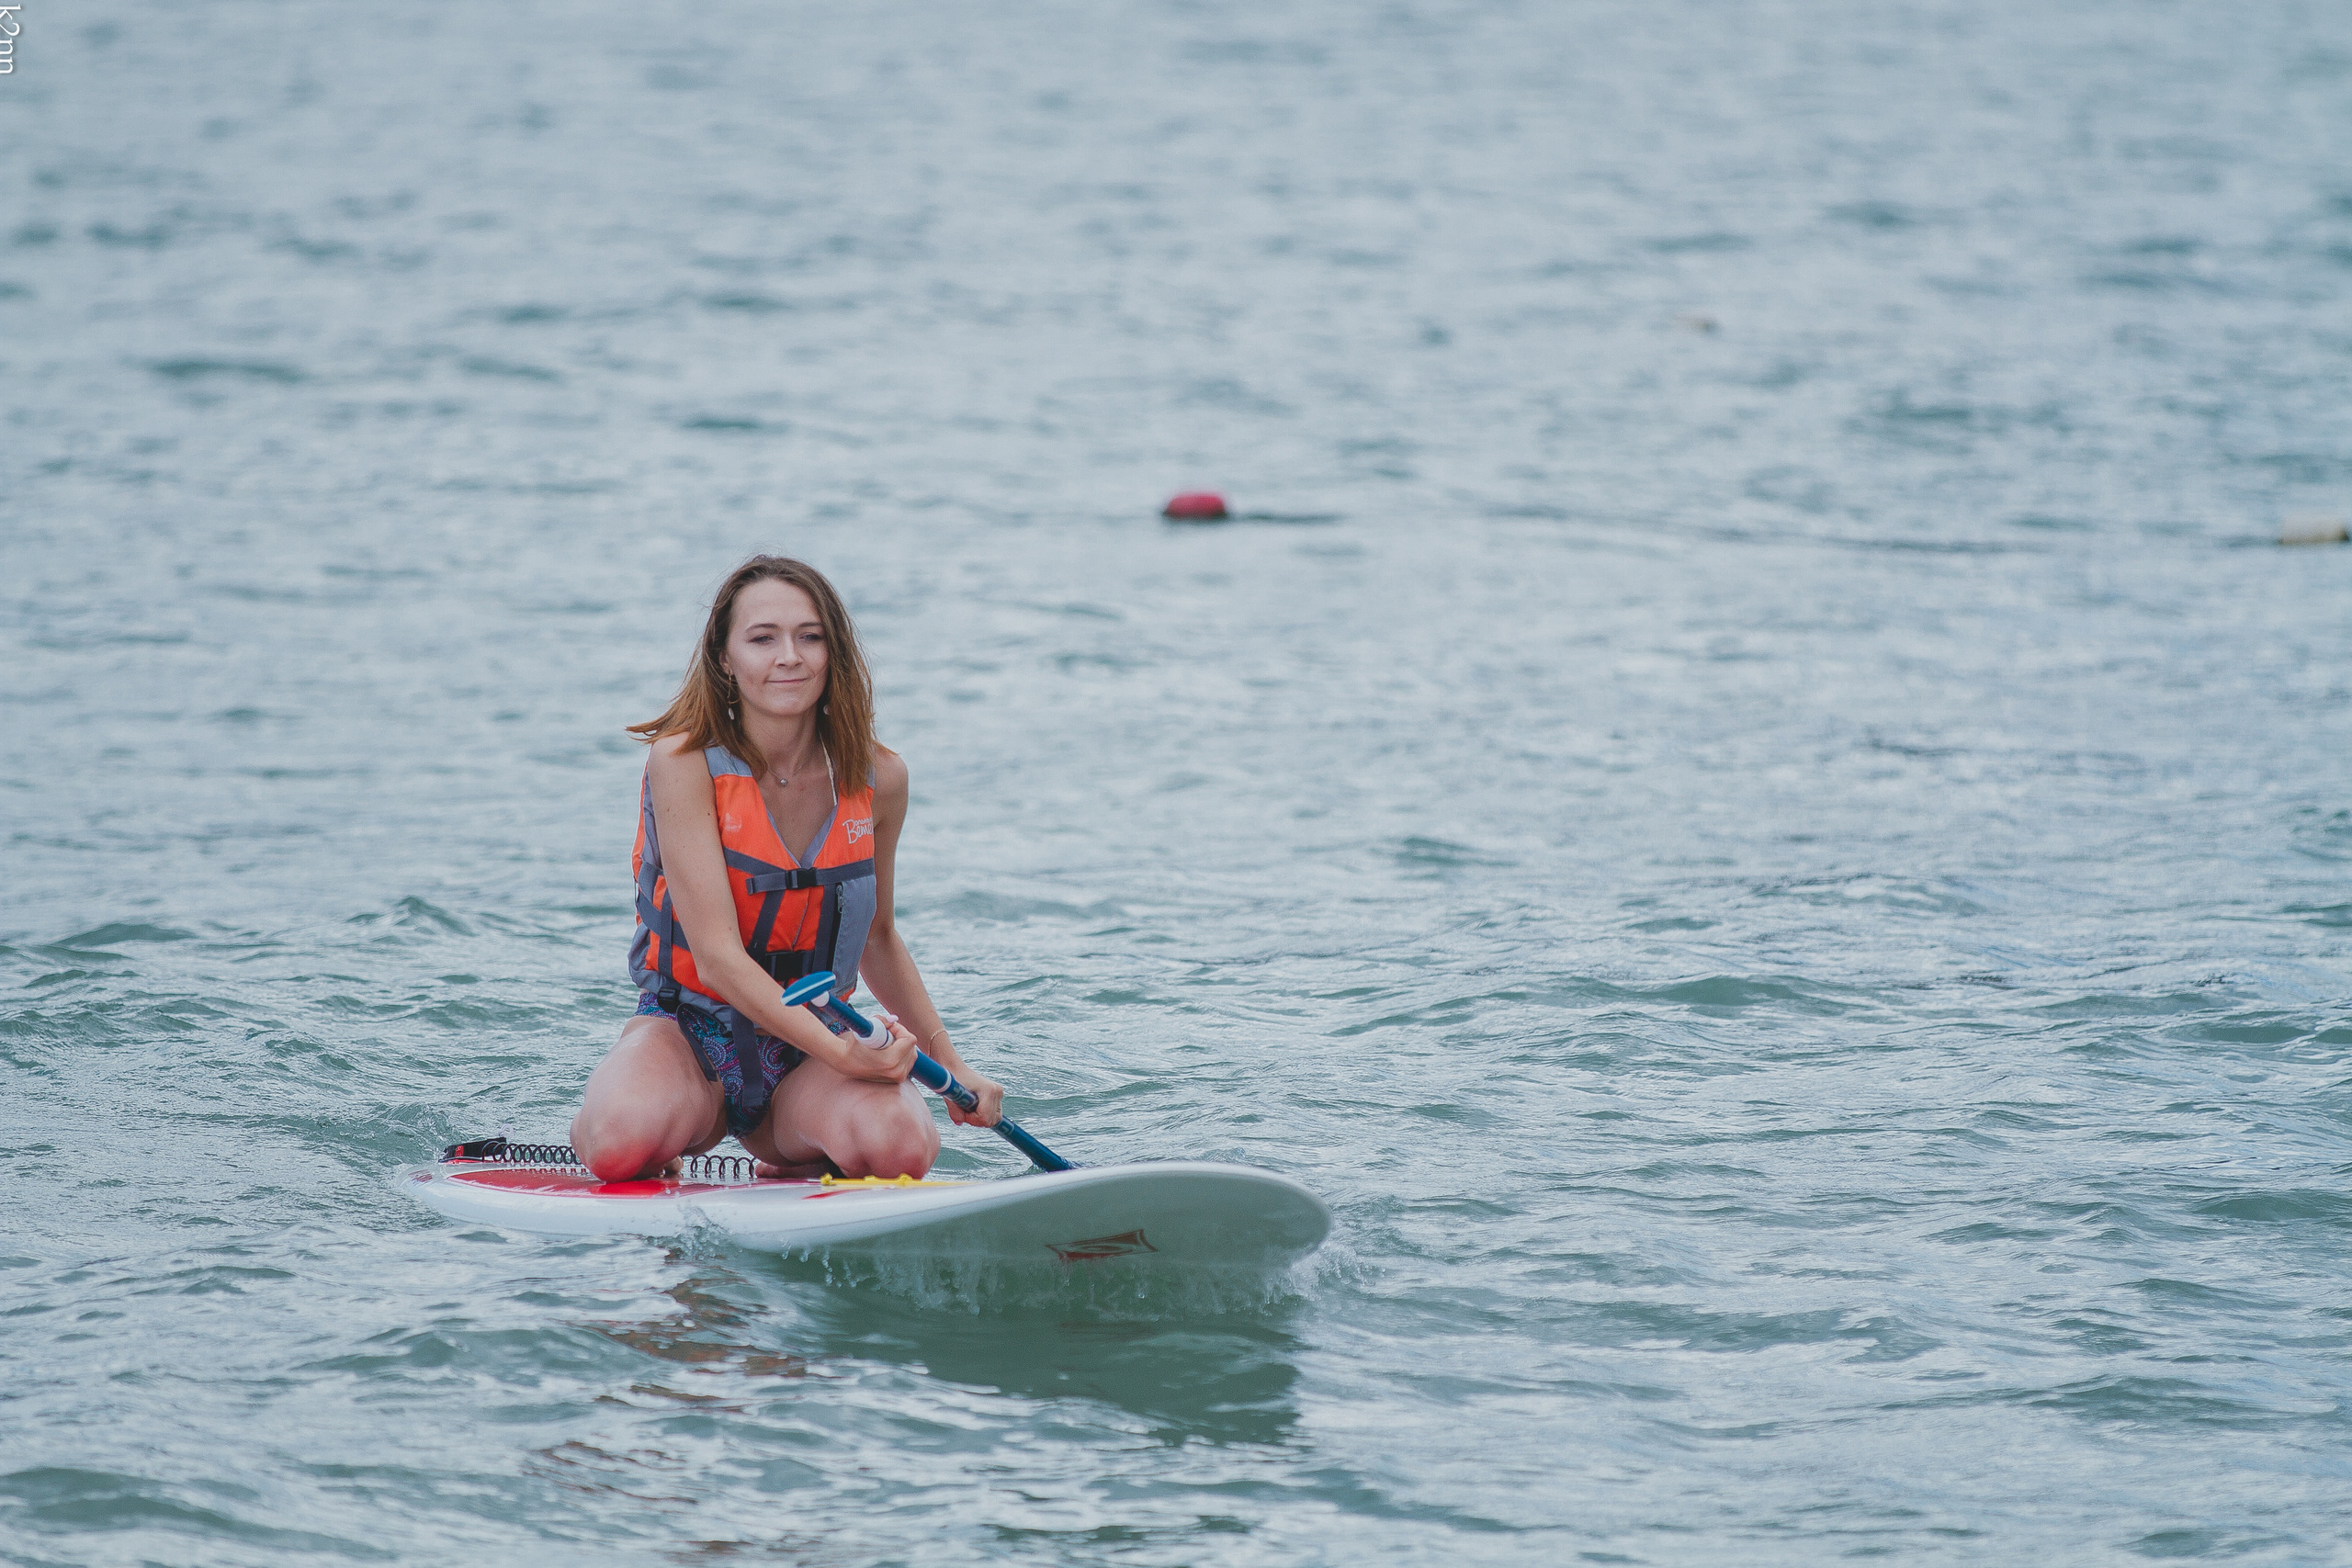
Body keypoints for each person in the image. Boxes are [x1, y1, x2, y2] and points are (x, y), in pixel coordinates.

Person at [571, 555, 1002, 1181]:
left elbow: (877, 935)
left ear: (834, 651)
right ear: (725, 657)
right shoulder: (684, 765)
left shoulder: (880, 779)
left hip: (810, 1054)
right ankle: (611, 1115)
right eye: (762, 638)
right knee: (619, 1143)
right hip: (691, 1032)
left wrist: (951, 1063)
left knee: (903, 1147)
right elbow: (717, 956)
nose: (789, 656)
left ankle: (796, 1147)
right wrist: (848, 1056)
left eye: (810, 636)